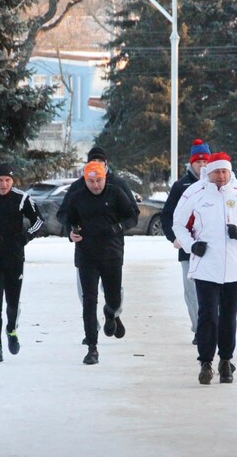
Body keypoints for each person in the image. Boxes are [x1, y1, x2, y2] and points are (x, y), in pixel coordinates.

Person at [172, 152, 237, 385]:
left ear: (230, 171)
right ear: (209, 172)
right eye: (216, 171)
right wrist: (192, 246)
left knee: (228, 316)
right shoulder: (195, 193)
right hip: (205, 265)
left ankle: (226, 361)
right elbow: (178, 224)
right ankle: (205, 362)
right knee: (207, 315)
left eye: (225, 171)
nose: (221, 176)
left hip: (234, 266)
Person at [57, 146, 140, 344]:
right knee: (87, 296)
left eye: (100, 162)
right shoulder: (78, 188)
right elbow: (64, 215)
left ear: (106, 165)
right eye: (92, 162)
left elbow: (132, 213)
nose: (95, 182)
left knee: (113, 292)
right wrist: (72, 230)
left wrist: (117, 228)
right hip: (86, 252)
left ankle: (113, 313)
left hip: (112, 248)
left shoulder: (118, 185)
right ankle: (91, 332)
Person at [0, 163, 45, 363]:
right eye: (0, 180)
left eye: (8, 180)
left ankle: (11, 329)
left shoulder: (22, 198)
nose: (4, 184)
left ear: (13, 181)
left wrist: (26, 236)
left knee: (12, 302)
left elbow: (38, 220)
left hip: (14, 258)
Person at [161, 139, 211, 345]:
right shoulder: (181, 186)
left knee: (211, 291)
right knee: (192, 291)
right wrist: (175, 238)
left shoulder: (218, 184)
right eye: (198, 162)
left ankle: (211, 325)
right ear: (191, 164)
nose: (201, 165)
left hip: (213, 248)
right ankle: (199, 328)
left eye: (205, 161)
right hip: (188, 249)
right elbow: (167, 215)